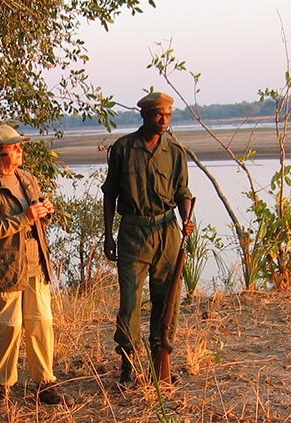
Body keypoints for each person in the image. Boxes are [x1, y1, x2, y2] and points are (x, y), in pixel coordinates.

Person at [0, 124, 68, 412]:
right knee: (7, 328)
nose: (20, 151)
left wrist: (44, 213)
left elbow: (36, 219)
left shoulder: (26, 178)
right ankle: (2, 388)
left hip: (35, 263)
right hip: (5, 267)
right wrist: (25, 218)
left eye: (19, 146)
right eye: (15, 148)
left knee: (41, 323)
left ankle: (45, 382)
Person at [101, 92, 195, 387]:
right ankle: (127, 365)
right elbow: (110, 194)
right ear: (144, 115)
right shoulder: (123, 149)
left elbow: (183, 192)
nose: (164, 120)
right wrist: (108, 234)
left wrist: (187, 218)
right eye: (158, 114)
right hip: (132, 231)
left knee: (167, 299)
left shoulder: (176, 151)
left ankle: (160, 361)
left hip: (167, 231)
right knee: (130, 301)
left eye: (168, 115)